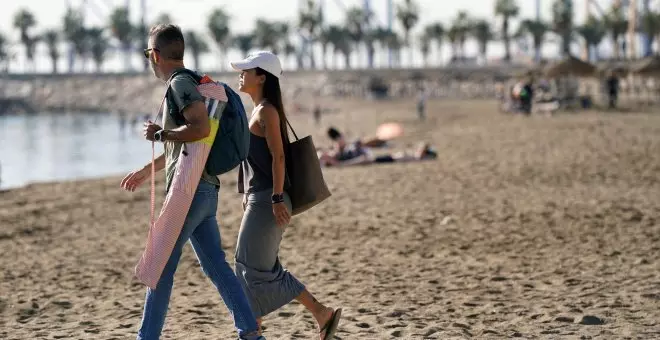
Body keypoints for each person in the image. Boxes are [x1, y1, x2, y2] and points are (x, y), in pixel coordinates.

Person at [119, 24, 263, 340]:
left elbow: (198, 129)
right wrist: (147, 170)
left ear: (155, 55)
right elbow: (186, 145)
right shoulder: (197, 81)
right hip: (205, 189)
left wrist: (160, 133)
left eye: (148, 53)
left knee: (160, 267)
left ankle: (147, 337)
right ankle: (251, 333)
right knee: (215, 266)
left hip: (189, 191)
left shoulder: (180, 85)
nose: (148, 59)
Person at [230, 51, 342, 340]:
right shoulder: (257, 110)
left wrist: (277, 197)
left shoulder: (266, 110)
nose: (240, 74)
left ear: (262, 77)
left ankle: (252, 331)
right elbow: (256, 160)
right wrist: (250, 194)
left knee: (248, 268)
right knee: (257, 269)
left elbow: (279, 157)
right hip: (261, 197)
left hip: (269, 199)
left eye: (246, 70)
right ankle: (321, 314)